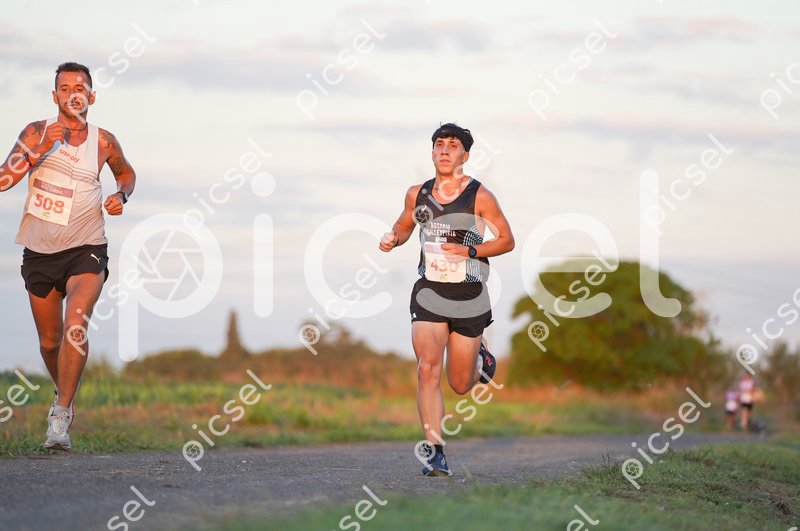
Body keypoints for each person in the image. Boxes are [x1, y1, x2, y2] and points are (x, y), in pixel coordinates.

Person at [0, 62, 136, 450]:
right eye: (65, 88)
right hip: (40, 252)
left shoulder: (104, 141)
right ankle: (66, 392)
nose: (73, 93)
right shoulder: (35, 132)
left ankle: (60, 414)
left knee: (76, 323)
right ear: (54, 96)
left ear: (91, 96)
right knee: (50, 342)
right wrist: (37, 150)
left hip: (86, 247)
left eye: (80, 88)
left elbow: (126, 174)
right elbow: (3, 180)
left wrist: (120, 195)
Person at [379, 123, 514, 476]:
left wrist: (470, 250)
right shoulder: (417, 193)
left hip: (469, 296)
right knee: (427, 369)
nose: (444, 150)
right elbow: (404, 226)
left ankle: (480, 355)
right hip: (430, 292)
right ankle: (435, 451)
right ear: (432, 151)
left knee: (460, 385)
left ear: (464, 156)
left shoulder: (480, 196)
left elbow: (506, 240)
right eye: (439, 144)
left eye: (452, 145)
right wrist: (393, 238)